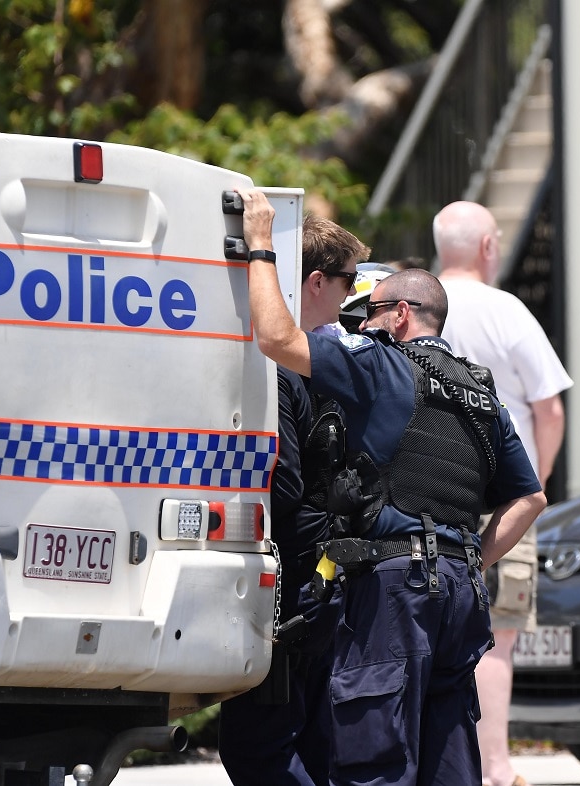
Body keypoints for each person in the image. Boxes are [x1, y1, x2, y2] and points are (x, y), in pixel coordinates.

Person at [238, 187, 548, 786]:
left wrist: (259, 247)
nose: (362, 322)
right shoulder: (480, 391)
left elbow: (277, 339)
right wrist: (470, 557)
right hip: (461, 593)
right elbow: (529, 497)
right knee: (448, 757)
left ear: (399, 315)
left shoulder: (380, 366)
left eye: (371, 311)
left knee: (375, 759)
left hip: (395, 591)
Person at [219, 213, 366, 786]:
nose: (353, 293)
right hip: (329, 576)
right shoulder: (329, 364)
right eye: (349, 280)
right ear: (316, 282)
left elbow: (279, 485)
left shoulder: (290, 367)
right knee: (314, 743)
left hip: (298, 577)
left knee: (264, 748)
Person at [433, 201, 573, 786]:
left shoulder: (408, 303)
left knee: (424, 629)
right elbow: (549, 408)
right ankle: (494, 766)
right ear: (489, 245)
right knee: (498, 637)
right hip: (500, 500)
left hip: (428, 491)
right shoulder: (507, 311)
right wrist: (533, 488)